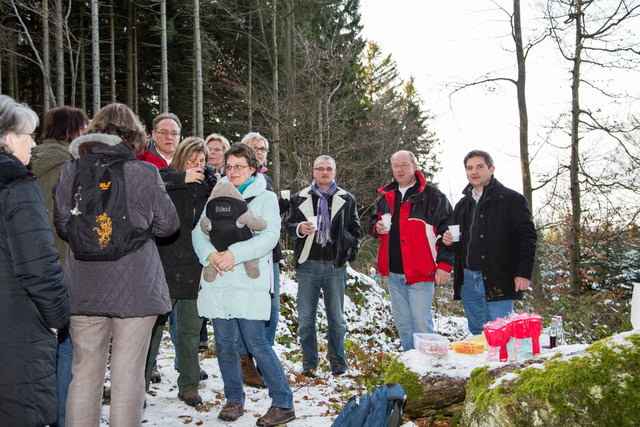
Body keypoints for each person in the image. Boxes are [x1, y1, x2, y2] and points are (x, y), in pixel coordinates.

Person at [54, 103, 179, 426]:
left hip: (84, 285)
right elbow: (168, 226)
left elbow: (63, 226)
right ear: (134, 136)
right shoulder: (144, 172)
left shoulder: (71, 170)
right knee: (128, 377)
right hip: (136, 288)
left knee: (83, 375)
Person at [192, 143, 295, 425]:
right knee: (225, 345)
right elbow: (199, 231)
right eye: (229, 165)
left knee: (257, 344)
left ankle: (283, 402)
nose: (233, 171)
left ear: (252, 168)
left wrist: (234, 255)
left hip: (248, 282)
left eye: (240, 166)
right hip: (219, 279)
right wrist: (210, 255)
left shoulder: (265, 197)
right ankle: (234, 400)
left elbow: (269, 236)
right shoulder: (215, 194)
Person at [0, 94, 70, 426]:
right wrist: (57, 316)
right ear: (9, 137)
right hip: (17, 323)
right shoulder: (16, 184)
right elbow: (38, 263)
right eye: (28, 135)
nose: (33, 143)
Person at [144, 137, 216, 407]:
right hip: (162, 263)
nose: (197, 166)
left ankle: (188, 386)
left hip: (195, 266)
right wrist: (182, 176)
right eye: (192, 160)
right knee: (152, 330)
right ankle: (137, 385)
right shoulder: (164, 176)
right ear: (181, 159)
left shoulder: (209, 186)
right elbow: (155, 184)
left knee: (189, 331)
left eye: (202, 161)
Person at [29, 105, 89, 427]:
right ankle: (62, 418)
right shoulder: (68, 166)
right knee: (66, 345)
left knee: (38, 348)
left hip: (29, 267)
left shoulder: (28, 160)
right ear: (72, 130)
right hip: (61, 267)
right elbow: (64, 223)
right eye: (83, 127)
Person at [442, 150, 537, 335]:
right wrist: (449, 241)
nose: (474, 172)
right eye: (469, 168)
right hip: (468, 279)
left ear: (491, 169)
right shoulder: (462, 205)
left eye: (479, 166)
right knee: (477, 332)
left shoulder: (512, 200)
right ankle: (482, 364)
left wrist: (523, 273)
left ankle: (503, 364)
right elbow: (459, 242)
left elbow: (527, 238)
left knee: (501, 334)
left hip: (499, 277)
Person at [284, 155, 362, 377]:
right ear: (314, 172)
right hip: (308, 264)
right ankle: (309, 364)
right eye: (320, 169)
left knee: (336, 319)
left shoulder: (347, 198)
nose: (324, 172)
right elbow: (288, 226)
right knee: (306, 319)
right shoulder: (299, 198)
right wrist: (300, 228)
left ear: (335, 172)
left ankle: (338, 364)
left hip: (335, 266)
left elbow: (356, 230)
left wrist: (348, 250)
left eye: (329, 169)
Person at [371, 150, 453, 351]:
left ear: (414, 166)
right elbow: (373, 221)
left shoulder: (433, 196)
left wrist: (444, 265)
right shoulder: (386, 196)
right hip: (393, 273)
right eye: (396, 166)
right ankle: (410, 366)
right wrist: (377, 227)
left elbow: (448, 233)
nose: (400, 169)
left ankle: (429, 371)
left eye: (404, 165)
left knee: (422, 325)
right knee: (403, 324)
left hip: (421, 272)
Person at [235, 132, 288, 387]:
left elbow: (269, 221)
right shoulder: (232, 181)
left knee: (271, 309)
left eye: (264, 148)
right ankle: (245, 362)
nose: (259, 152)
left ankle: (262, 358)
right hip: (243, 254)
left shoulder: (266, 180)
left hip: (270, 255)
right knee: (246, 309)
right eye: (254, 147)